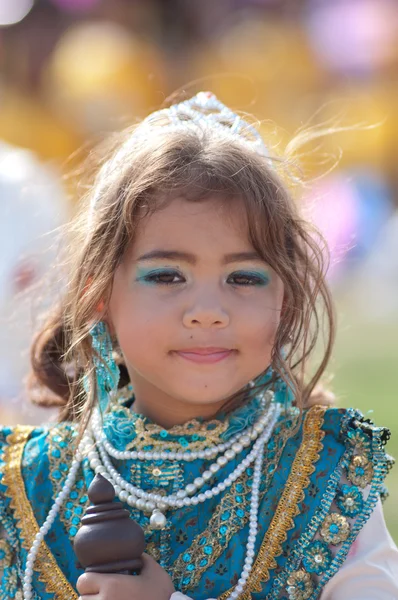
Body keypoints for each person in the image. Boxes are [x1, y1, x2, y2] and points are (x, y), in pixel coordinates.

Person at [0, 92, 396, 600]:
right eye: (167, 275)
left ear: (287, 301)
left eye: (244, 277)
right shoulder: (25, 486)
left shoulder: (327, 477)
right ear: (99, 297)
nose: (208, 309)